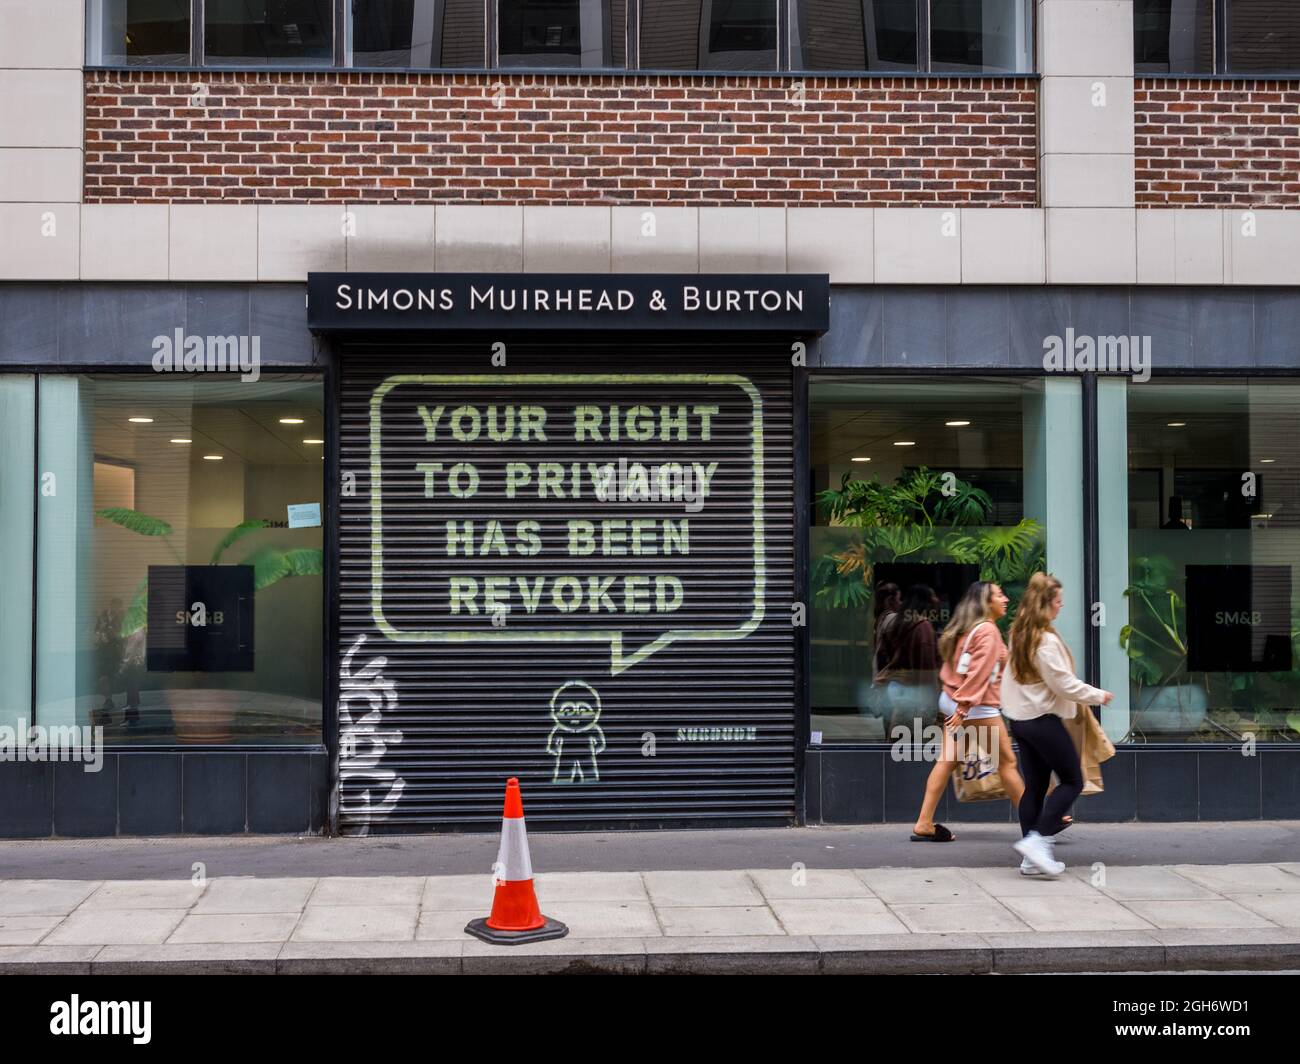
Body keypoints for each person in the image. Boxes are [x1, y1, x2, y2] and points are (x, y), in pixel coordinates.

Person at [1001, 573, 1113, 876]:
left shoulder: (1019, 633)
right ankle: (1037, 842)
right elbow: (1063, 684)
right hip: (1042, 721)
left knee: (1035, 787)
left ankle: (1030, 858)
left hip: (1021, 721)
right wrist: (1098, 695)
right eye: (1058, 602)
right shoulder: (1044, 641)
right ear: (1045, 604)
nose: (1061, 607)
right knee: (1073, 780)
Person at [910, 581, 1024, 842]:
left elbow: (997, 666)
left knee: (947, 760)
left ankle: (924, 823)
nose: (1005, 599)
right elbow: (980, 673)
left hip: (951, 699)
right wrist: (964, 708)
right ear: (987, 602)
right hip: (975, 707)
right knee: (1007, 763)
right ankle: (1038, 824)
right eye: (999, 595)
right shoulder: (987, 631)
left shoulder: (970, 629)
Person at [875, 584, 941, 731]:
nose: (937, 600)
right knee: (913, 744)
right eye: (933, 597)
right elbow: (926, 671)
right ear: (926, 602)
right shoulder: (923, 627)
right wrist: (932, 703)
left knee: (898, 740)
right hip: (913, 692)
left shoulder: (901, 624)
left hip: (896, 686)